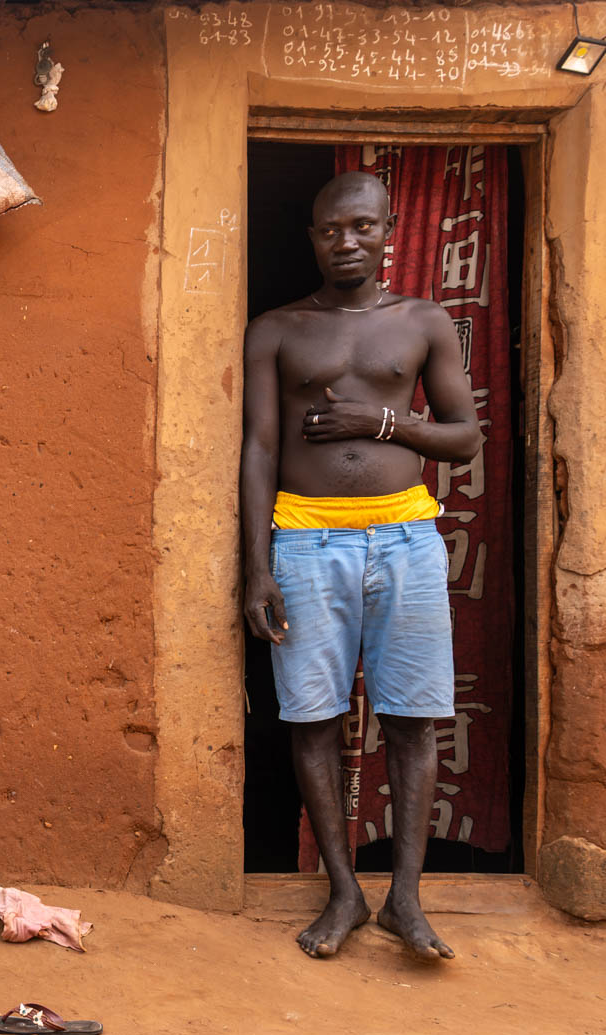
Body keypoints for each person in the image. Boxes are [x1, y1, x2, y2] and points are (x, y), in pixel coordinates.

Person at [241, 171, 483, 962]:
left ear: (385, 231)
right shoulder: (276, 328)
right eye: (326, 230)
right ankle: (345, 891)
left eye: (360, 228)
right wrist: (255, 568)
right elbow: (259, 449)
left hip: (404, 540)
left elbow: (464, 436)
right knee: (311, 715)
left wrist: (382, 421)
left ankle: (404, 899)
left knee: (411, 718)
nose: (344, 243)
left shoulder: (422, 321)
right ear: (310, 237)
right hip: (304, 541)